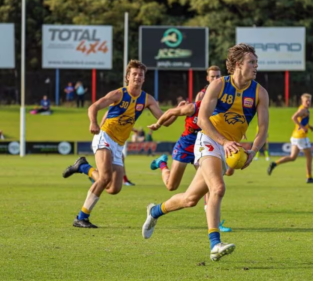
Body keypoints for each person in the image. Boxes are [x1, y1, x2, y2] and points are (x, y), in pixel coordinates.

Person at [142, 43, 269, 262]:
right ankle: (215, 244)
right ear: (239, 64)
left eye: (256, 62)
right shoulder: (219, 85)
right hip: (209, 140)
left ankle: (155, 212)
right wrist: (224, 141)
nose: (256, 66)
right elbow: (202, 119)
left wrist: (253, 151)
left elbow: (263, 128)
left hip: (229, 147)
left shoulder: (260, 92)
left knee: (190, 199)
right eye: (252, 62)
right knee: (218, 188)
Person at [62, 59, 174, 228]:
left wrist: (179, 111)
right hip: (105, 136)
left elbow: (164, 120)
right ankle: (81, 217)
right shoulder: (119, 94)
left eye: (141, 75)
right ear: (127, 77)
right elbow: (93, 107)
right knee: (105, 177)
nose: (137, 77)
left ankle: (83, 167)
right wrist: (93, 122)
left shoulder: (147, 99)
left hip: (119, 144)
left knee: (114, 188)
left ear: (144, 79)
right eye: (134, 74)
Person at [148, 98, 232, 232]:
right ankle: (162, 163)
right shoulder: (194, 107)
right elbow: (171, 111)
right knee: (171, 185)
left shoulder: (222, 111)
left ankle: (215, 223)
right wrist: (158, 124)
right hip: (186, 145)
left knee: (211, 183)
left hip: (203, 147)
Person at [267, 94, 313, 184]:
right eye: (306, 101)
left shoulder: (304, 109)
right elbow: (294, 117)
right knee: (309, 157)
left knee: (292, 157)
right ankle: (309, 177)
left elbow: (301, 120)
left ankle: (275, 163)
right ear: (302, 101)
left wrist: (309, 127)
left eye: (309, 101)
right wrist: (302, 128)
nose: (308, 102)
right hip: (301, 137)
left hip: (295, 136)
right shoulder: (303, 109)